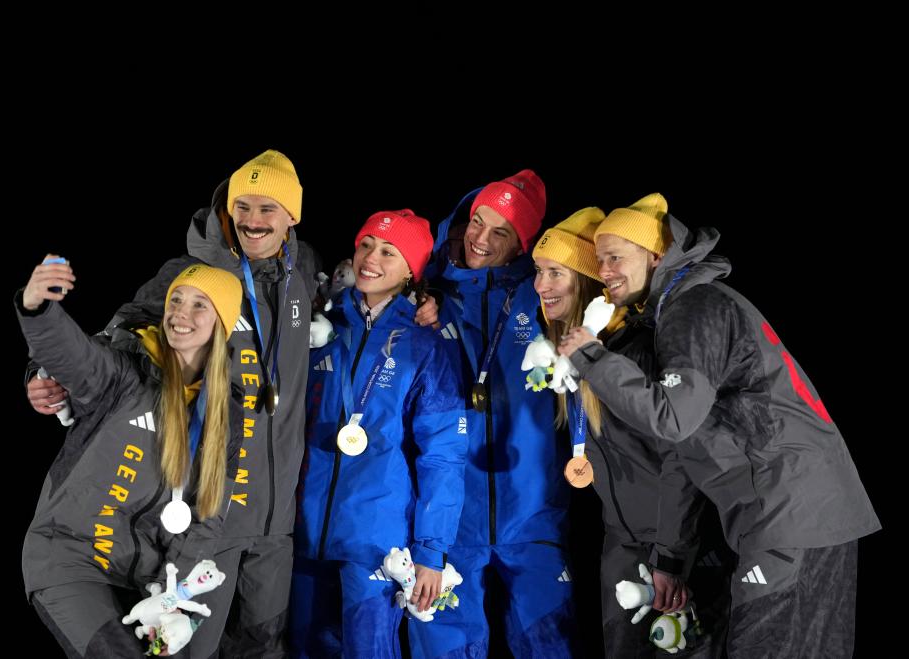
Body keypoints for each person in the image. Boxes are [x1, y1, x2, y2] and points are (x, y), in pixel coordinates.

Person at [25, 149, 320, 657]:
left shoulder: (302, 270)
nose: (252, 220)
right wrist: (46, 374)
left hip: (277, 521)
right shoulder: (190, 273)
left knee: (264, 647)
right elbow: (118, 339)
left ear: (291, 216)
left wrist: (424, 298)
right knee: (185, 649)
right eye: (242, 206)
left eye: (267, 209)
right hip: (213, 515)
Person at [560, 193, 881, 657]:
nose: (604, 270)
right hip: (799, 513)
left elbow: (672, 420)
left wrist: (591, 357)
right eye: (599, 260)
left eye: (615, 257)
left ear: (655, 256)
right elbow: (686, 449)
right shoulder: (682, 309)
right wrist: (671, 558)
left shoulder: (694, 307)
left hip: (789, 512)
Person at [19, 259, 245, 658]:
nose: (181, 313)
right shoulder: (126, 375)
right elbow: (73, 356)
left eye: (199, 305)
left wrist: (175, 600)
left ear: (221, 324)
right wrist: (38, 309)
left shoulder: (225, 414)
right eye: (176, 300)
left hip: (147, 581)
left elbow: (207, 519)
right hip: (72, 559)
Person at [533, 206, 731, 657]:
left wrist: (671, 556)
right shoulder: (573, 356)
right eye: (538, 273)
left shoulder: (635, 351)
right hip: (623, 544)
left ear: (588, 282)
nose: (541, 286)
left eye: (555, 273)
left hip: (680, 550)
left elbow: (681, 460)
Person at [411, 170, 580, 657]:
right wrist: (419, 305)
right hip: (449, 521)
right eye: (478, 221)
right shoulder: (429, 294)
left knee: (549, 646)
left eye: (500, 231)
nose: (480, 238)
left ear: (522, 245)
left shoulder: (542, 295)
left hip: (534, 517)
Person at [289, 209, 467, 658]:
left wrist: (431, 551)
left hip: (376, 541)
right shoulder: (321, 329)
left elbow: (443, 453)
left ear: (410, 271)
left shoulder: (424, 346)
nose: (371, 258)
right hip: (303, 532)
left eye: (389, 251)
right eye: (367, 245)